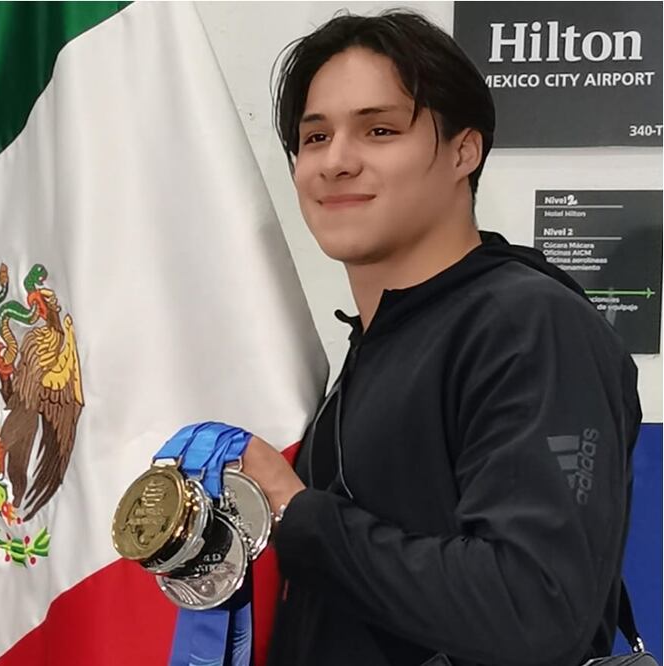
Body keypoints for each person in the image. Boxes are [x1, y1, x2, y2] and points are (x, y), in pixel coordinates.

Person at [237, 11, 642, 666]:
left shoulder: (527, 326)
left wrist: (300, 518)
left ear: (464, 150)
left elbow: (534, 608)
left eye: (379, 129)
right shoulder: (378, 342)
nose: (336, 162)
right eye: (315, 138)